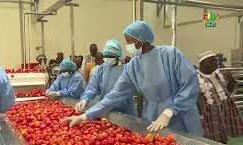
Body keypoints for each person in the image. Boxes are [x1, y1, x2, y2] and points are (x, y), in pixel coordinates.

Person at [63, 21, 203, 136]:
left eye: (129, 41)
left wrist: (169, 111)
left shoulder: (171, 55)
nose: (127, 45)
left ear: (141, 38)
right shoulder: (133, 66)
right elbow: (114, 95)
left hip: (182, 114)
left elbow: (190, 84)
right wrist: (85, 116)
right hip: (153, 116)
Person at [75, 39, 136, 116]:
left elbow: (123, 92)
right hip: (107, 110)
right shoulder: (101, 69)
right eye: (106, 56)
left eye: (110, 56)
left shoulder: (126, 70)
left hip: (125, 111)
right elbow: (92, 87)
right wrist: (85, 99)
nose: (107, 59)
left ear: (118, 56)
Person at [197, 51, 243, 143]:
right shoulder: (195, 78)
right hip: (209, 116)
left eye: (215, 61)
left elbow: (231, 84)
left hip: (225, 111)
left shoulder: (220, 74)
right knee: (212, 140)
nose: (215, 64)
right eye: (211, 62)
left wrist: (230, 83)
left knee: (224, 135)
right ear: (202, 64)